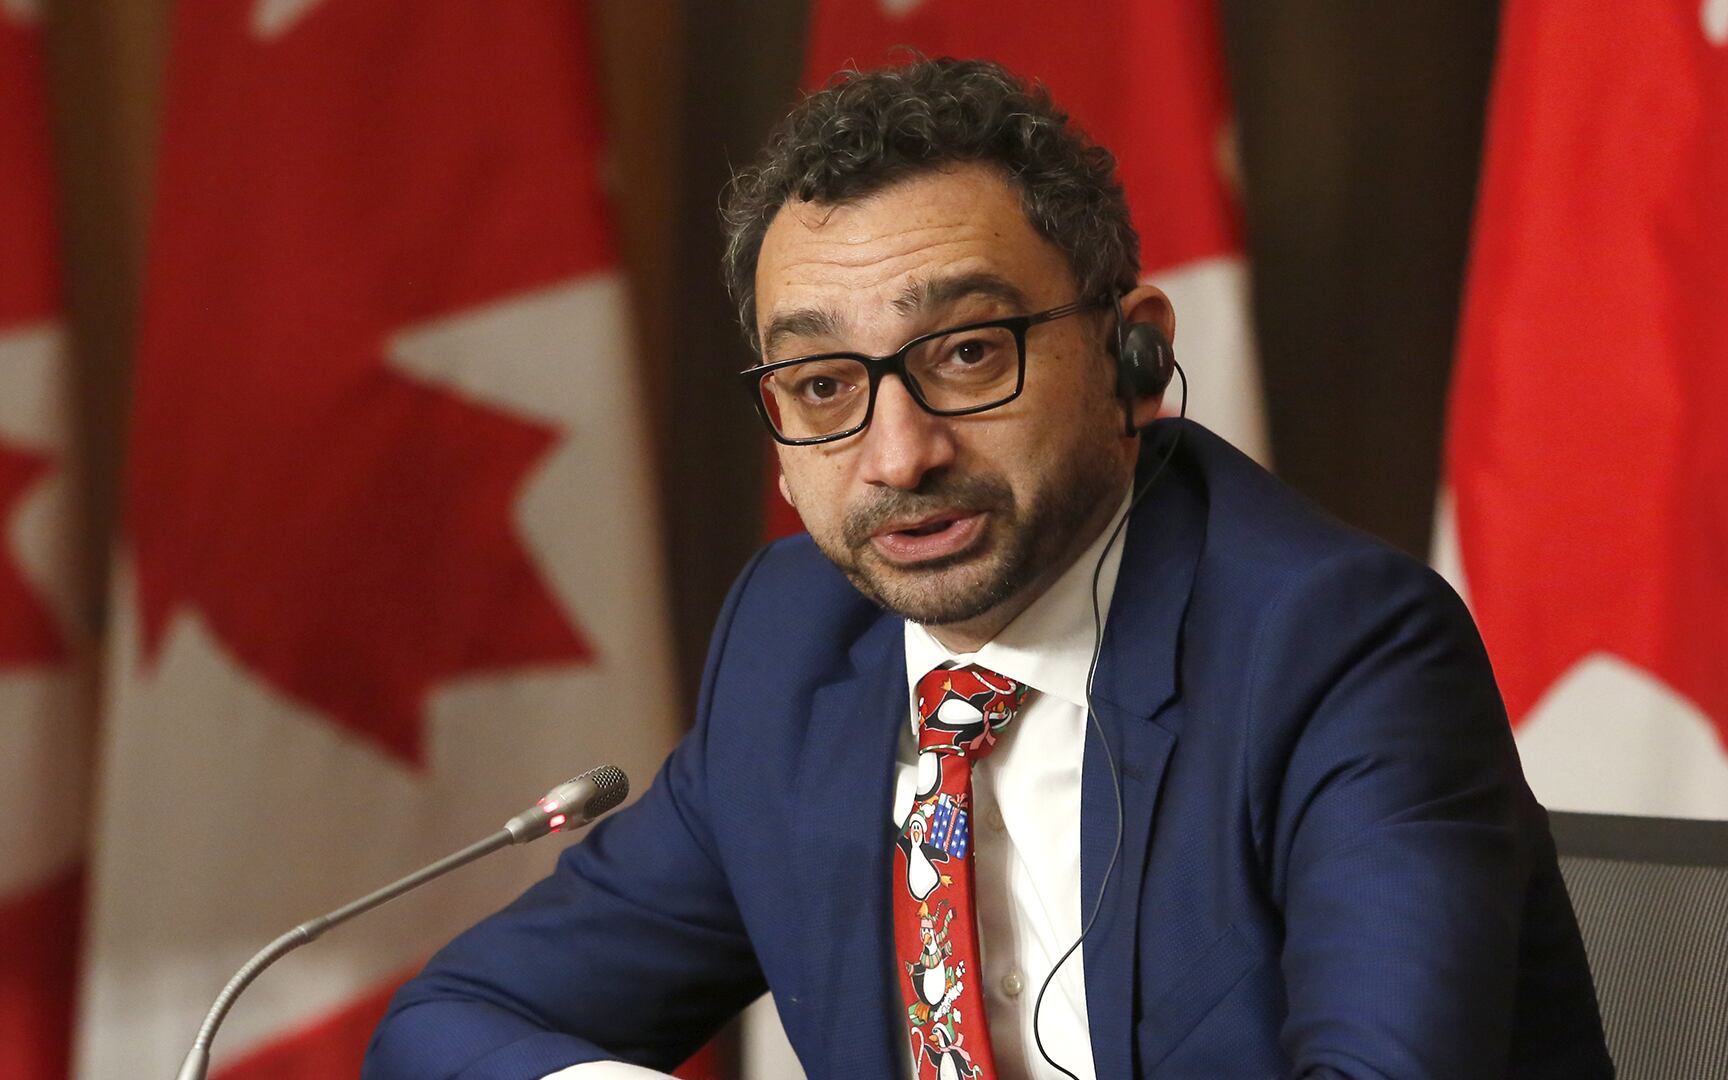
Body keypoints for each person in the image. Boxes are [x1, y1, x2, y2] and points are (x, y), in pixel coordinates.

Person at [364, 58, 1612, 1079]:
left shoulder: (1337, 647)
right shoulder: (798, 644)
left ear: (1132, 359)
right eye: (823, 386)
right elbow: (454, 1026)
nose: (898, 456)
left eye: (967, 354)